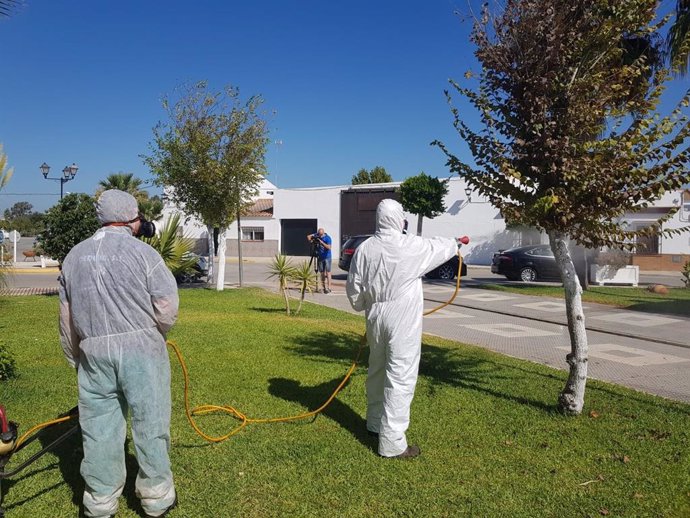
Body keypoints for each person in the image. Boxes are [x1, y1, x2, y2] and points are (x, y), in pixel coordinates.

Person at [58, 189, 179, 518]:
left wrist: (75, 357)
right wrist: (154, 334)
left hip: (94, 352)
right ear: (132, 217)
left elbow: (66, 318)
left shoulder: (74, 257)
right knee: (149, 421)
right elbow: (166, 306)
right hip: (142, 350)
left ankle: (99, 501)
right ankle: (156, 498)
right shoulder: (144, 254)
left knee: (98, 426)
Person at [346, 199, 459, 459]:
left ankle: (374, 423)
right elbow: (438, 248)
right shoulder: (411, 246)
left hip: (375, 316)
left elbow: (354, 289)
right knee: (400, 375)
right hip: (402, 320)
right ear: (399, 219)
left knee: (377, 368)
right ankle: (392, 443)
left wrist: (365, 305)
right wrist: (456, 243)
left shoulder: (364, 249)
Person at [306, 227, 332, 293]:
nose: (320, 236)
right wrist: (311, 241)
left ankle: (329, 287)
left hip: (327, 257)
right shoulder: (317, 235)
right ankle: (324, 288)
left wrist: (322, 242)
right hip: (320, 257)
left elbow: (329, 247)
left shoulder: (328, 238)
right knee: (322, 273)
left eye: (321, 235)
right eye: (319, 234)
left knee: (328, 272)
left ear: (323, 233)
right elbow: (308, 236)